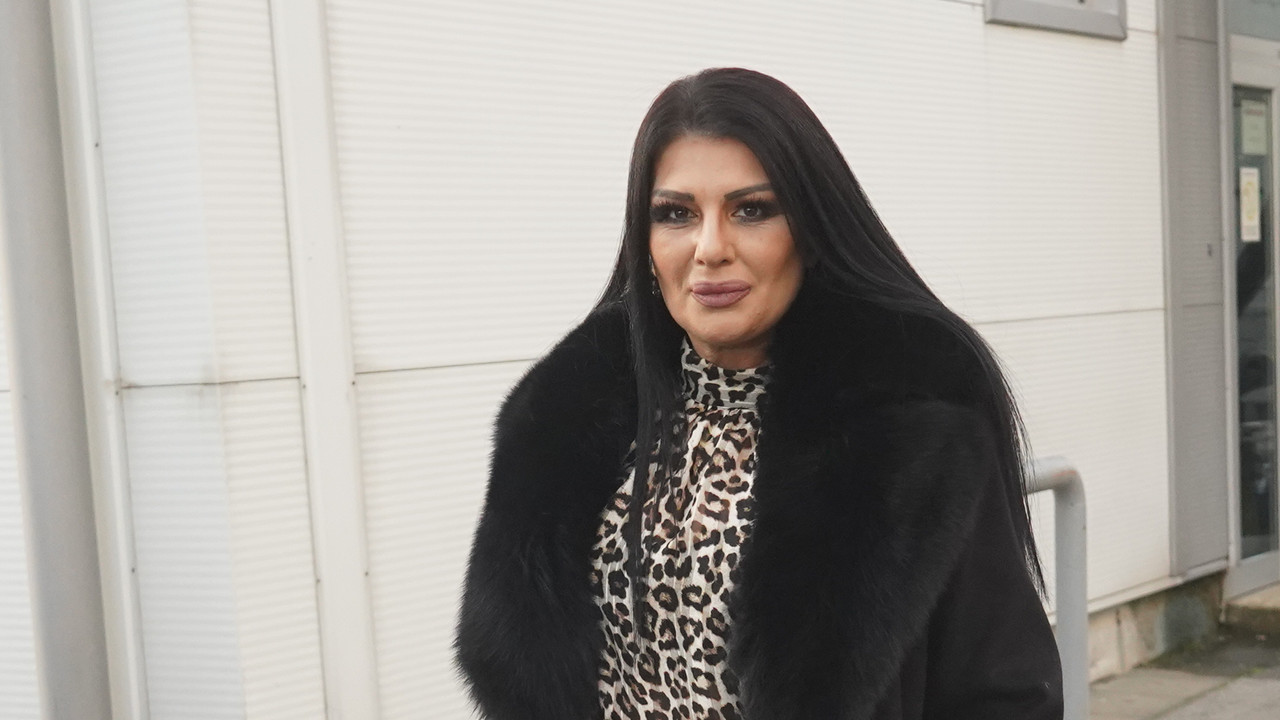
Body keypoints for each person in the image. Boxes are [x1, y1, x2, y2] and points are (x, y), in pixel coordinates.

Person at [454, 67, 1063, 720]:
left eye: (752, 210)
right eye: (676, 214)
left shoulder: (910, 416)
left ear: (811, 229)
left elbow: (1004, 691)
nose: (710, 248)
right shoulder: (564, 413)